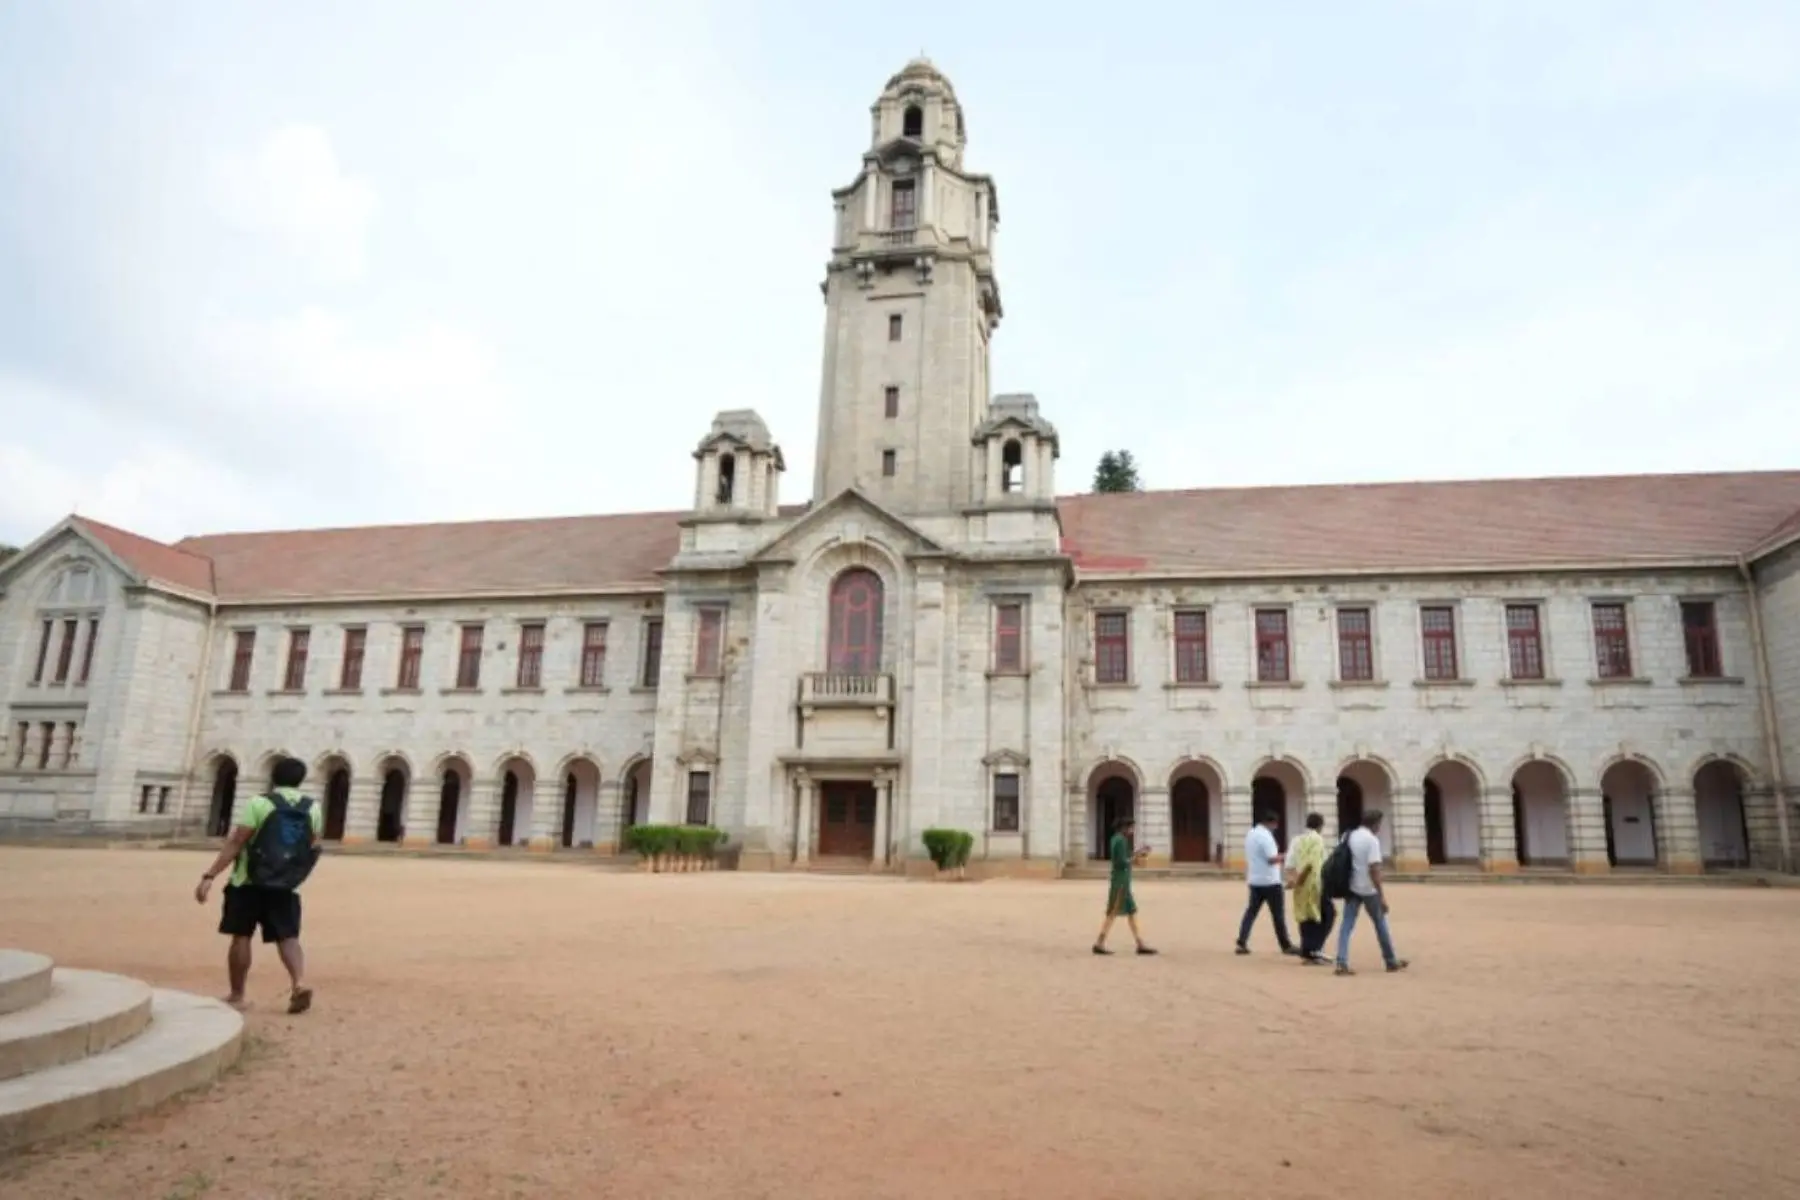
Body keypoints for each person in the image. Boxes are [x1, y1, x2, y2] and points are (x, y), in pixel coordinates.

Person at [194, 755, 323, 1012]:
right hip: (285, 883)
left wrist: (210, 875)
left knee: (241, 935)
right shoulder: (313, 808)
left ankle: (237, 995)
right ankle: (298, 983)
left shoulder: (259, 803)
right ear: (301, 779)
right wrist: (295, 875)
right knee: (288, 936)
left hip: (248, 880)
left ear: (273, 776)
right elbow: (313, 846)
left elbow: (237, 841)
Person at [1334, 809, 1409, 976]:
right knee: (1380, 923)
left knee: (1346, 924)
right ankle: (1390, 960)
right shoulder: (1371, 840)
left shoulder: (1349, 836)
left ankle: (1341, 961)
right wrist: (1381, 895)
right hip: (1368, 889)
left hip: (1351, 887)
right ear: (1375, 824)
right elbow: (1374, 869)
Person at [1093, 816, 1157, 956]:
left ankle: (1140, 943)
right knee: (1113, 912)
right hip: (1121, 881)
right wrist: (1137, 857)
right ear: (1124, 828)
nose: (1132, 831)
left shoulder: (1116, 839)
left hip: (1121, 880)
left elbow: (1125, 857)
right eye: (1131, 828)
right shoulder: (1121, 840)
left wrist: (1138, 853)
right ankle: (1099, 942)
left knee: (1131, 912)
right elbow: (1122, 862)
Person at [1237, 810, 1298, 955]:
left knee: (1251, 912)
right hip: (1270, 881)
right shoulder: (1266, 837)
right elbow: (1272, 859)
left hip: (1255, 880)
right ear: (1271, 823)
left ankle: (1242, 940)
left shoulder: (1251, 833)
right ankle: (1285, 945)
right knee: (1278, 915)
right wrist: (1288, 855)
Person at [1286, 812, 1334, 964]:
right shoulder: (1317, 839)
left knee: (1305, 917)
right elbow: (1313, 864)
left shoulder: (1296, 840)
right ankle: (1314, 949)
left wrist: (1294, 881)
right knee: (1327, 914)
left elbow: (1290, 864)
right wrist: (1301, 878)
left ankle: (1307, 951)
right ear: (1320, 825)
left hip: (1300, 886)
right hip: (1314, 884)